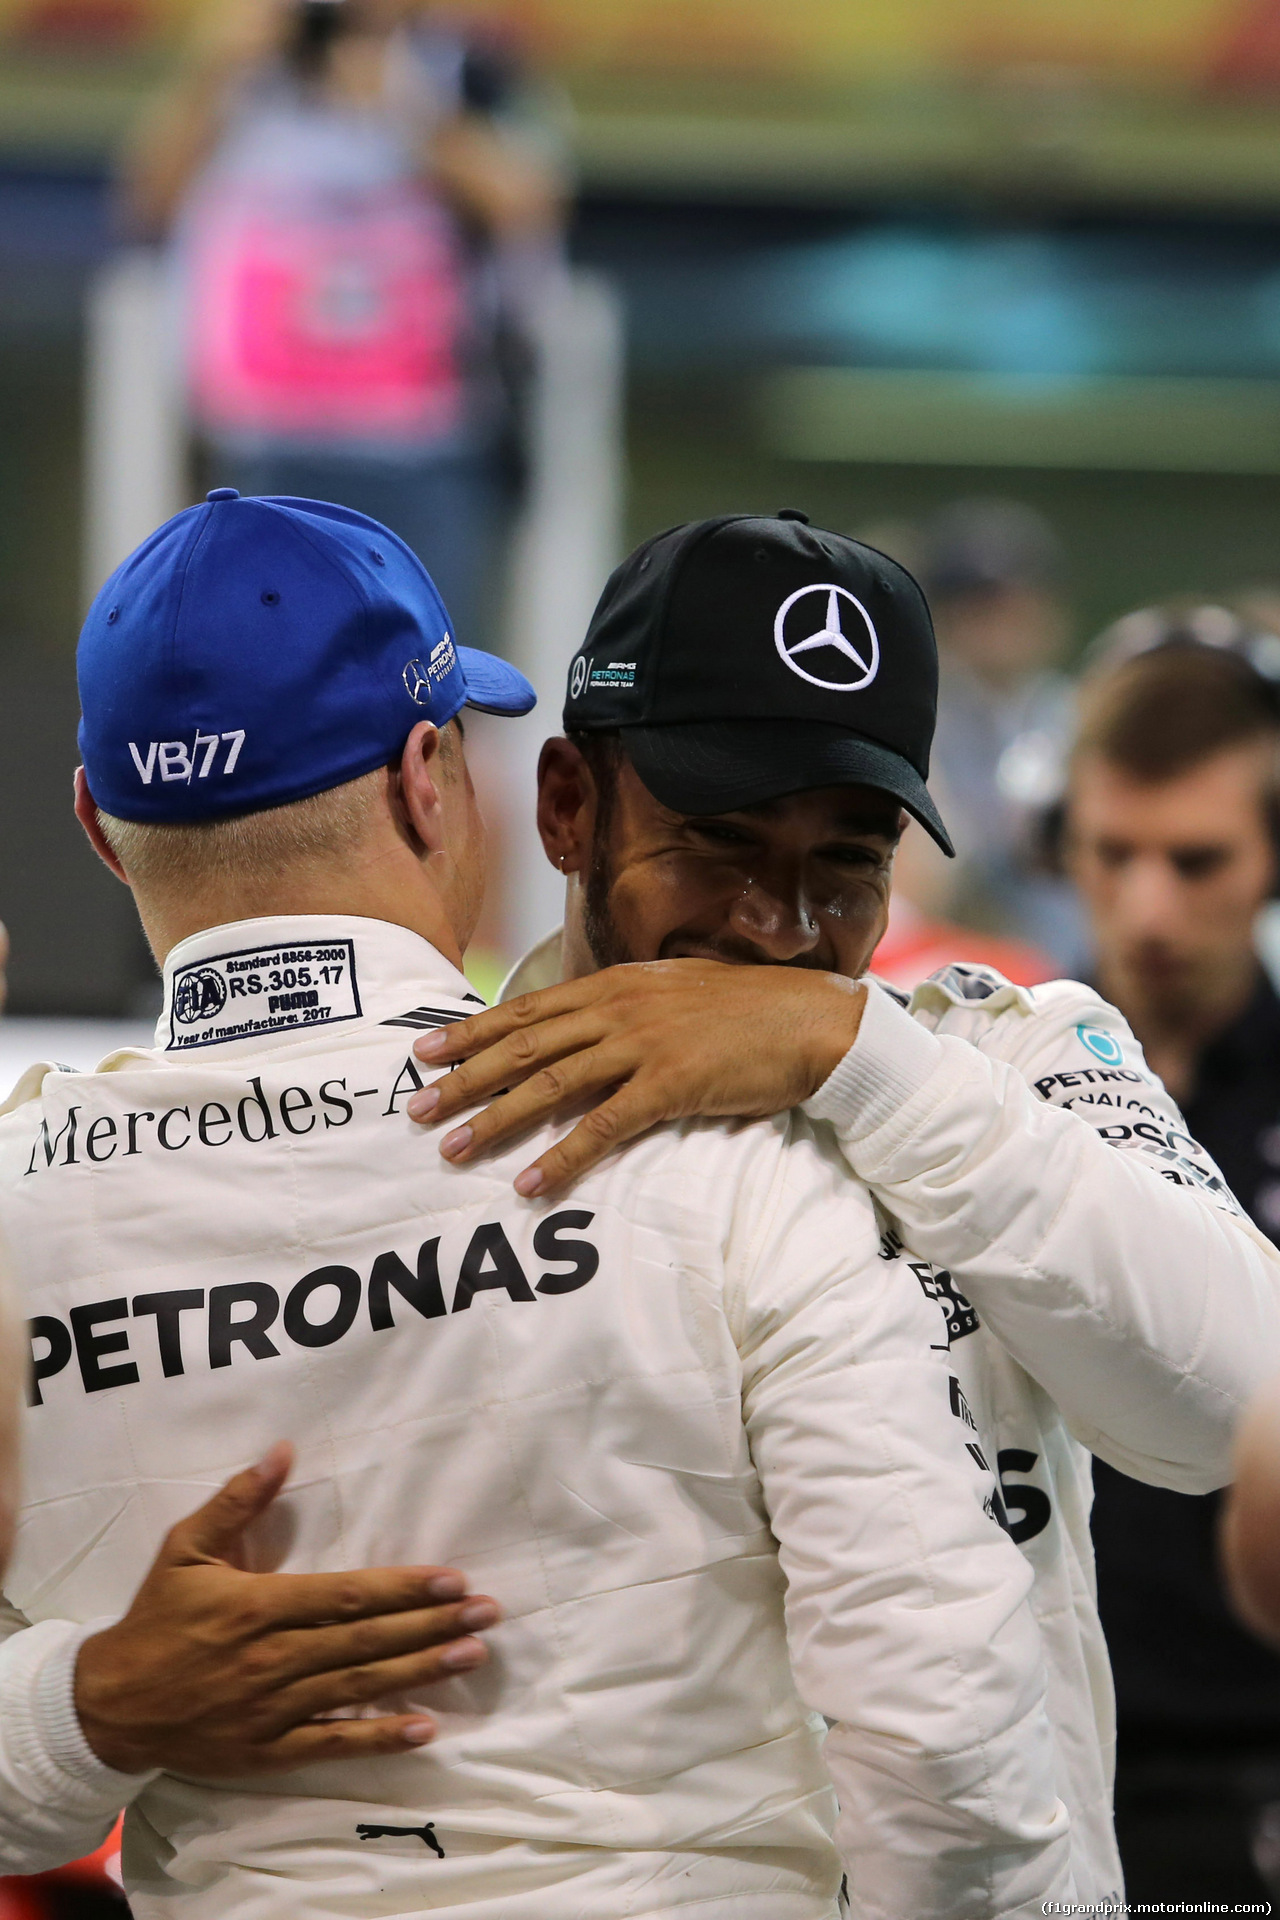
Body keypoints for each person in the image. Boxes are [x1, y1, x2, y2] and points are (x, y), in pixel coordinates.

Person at [0, 490, 1078, 1918]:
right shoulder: (722, 1144)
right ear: (428, 777)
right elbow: (947, 1740)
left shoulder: (17, 1207)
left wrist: (88, 1709)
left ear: (95, 819)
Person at [405, 510, 1280, 1906]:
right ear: (567, 803)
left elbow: (1226, 1401)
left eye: (845, 861)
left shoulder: (1009, 1052)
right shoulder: (437, 1112)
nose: (778, 926)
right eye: (718, 842)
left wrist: (855, 1059)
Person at [121, 0, 564, 647]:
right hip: (254, 452)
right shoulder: (244, 79)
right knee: (249, 679)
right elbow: (143, 201)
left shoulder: (468, 68)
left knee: (436, 686)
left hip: (429, 452)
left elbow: (524, 202)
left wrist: (404, 106)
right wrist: (213, 71)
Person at [1059, 613, 1280, 1903]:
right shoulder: (953, 1093)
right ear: (1058, 844)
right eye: (1112, 854)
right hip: (1033, 1760)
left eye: (1194, 860)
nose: (1147, 907)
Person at [922, 498, 1086, 969]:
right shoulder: (923, 722)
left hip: (1078, 966)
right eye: (980, 605)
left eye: (1016, 601)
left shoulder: (1080, 714)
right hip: (960, 970)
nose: (1001, 622)